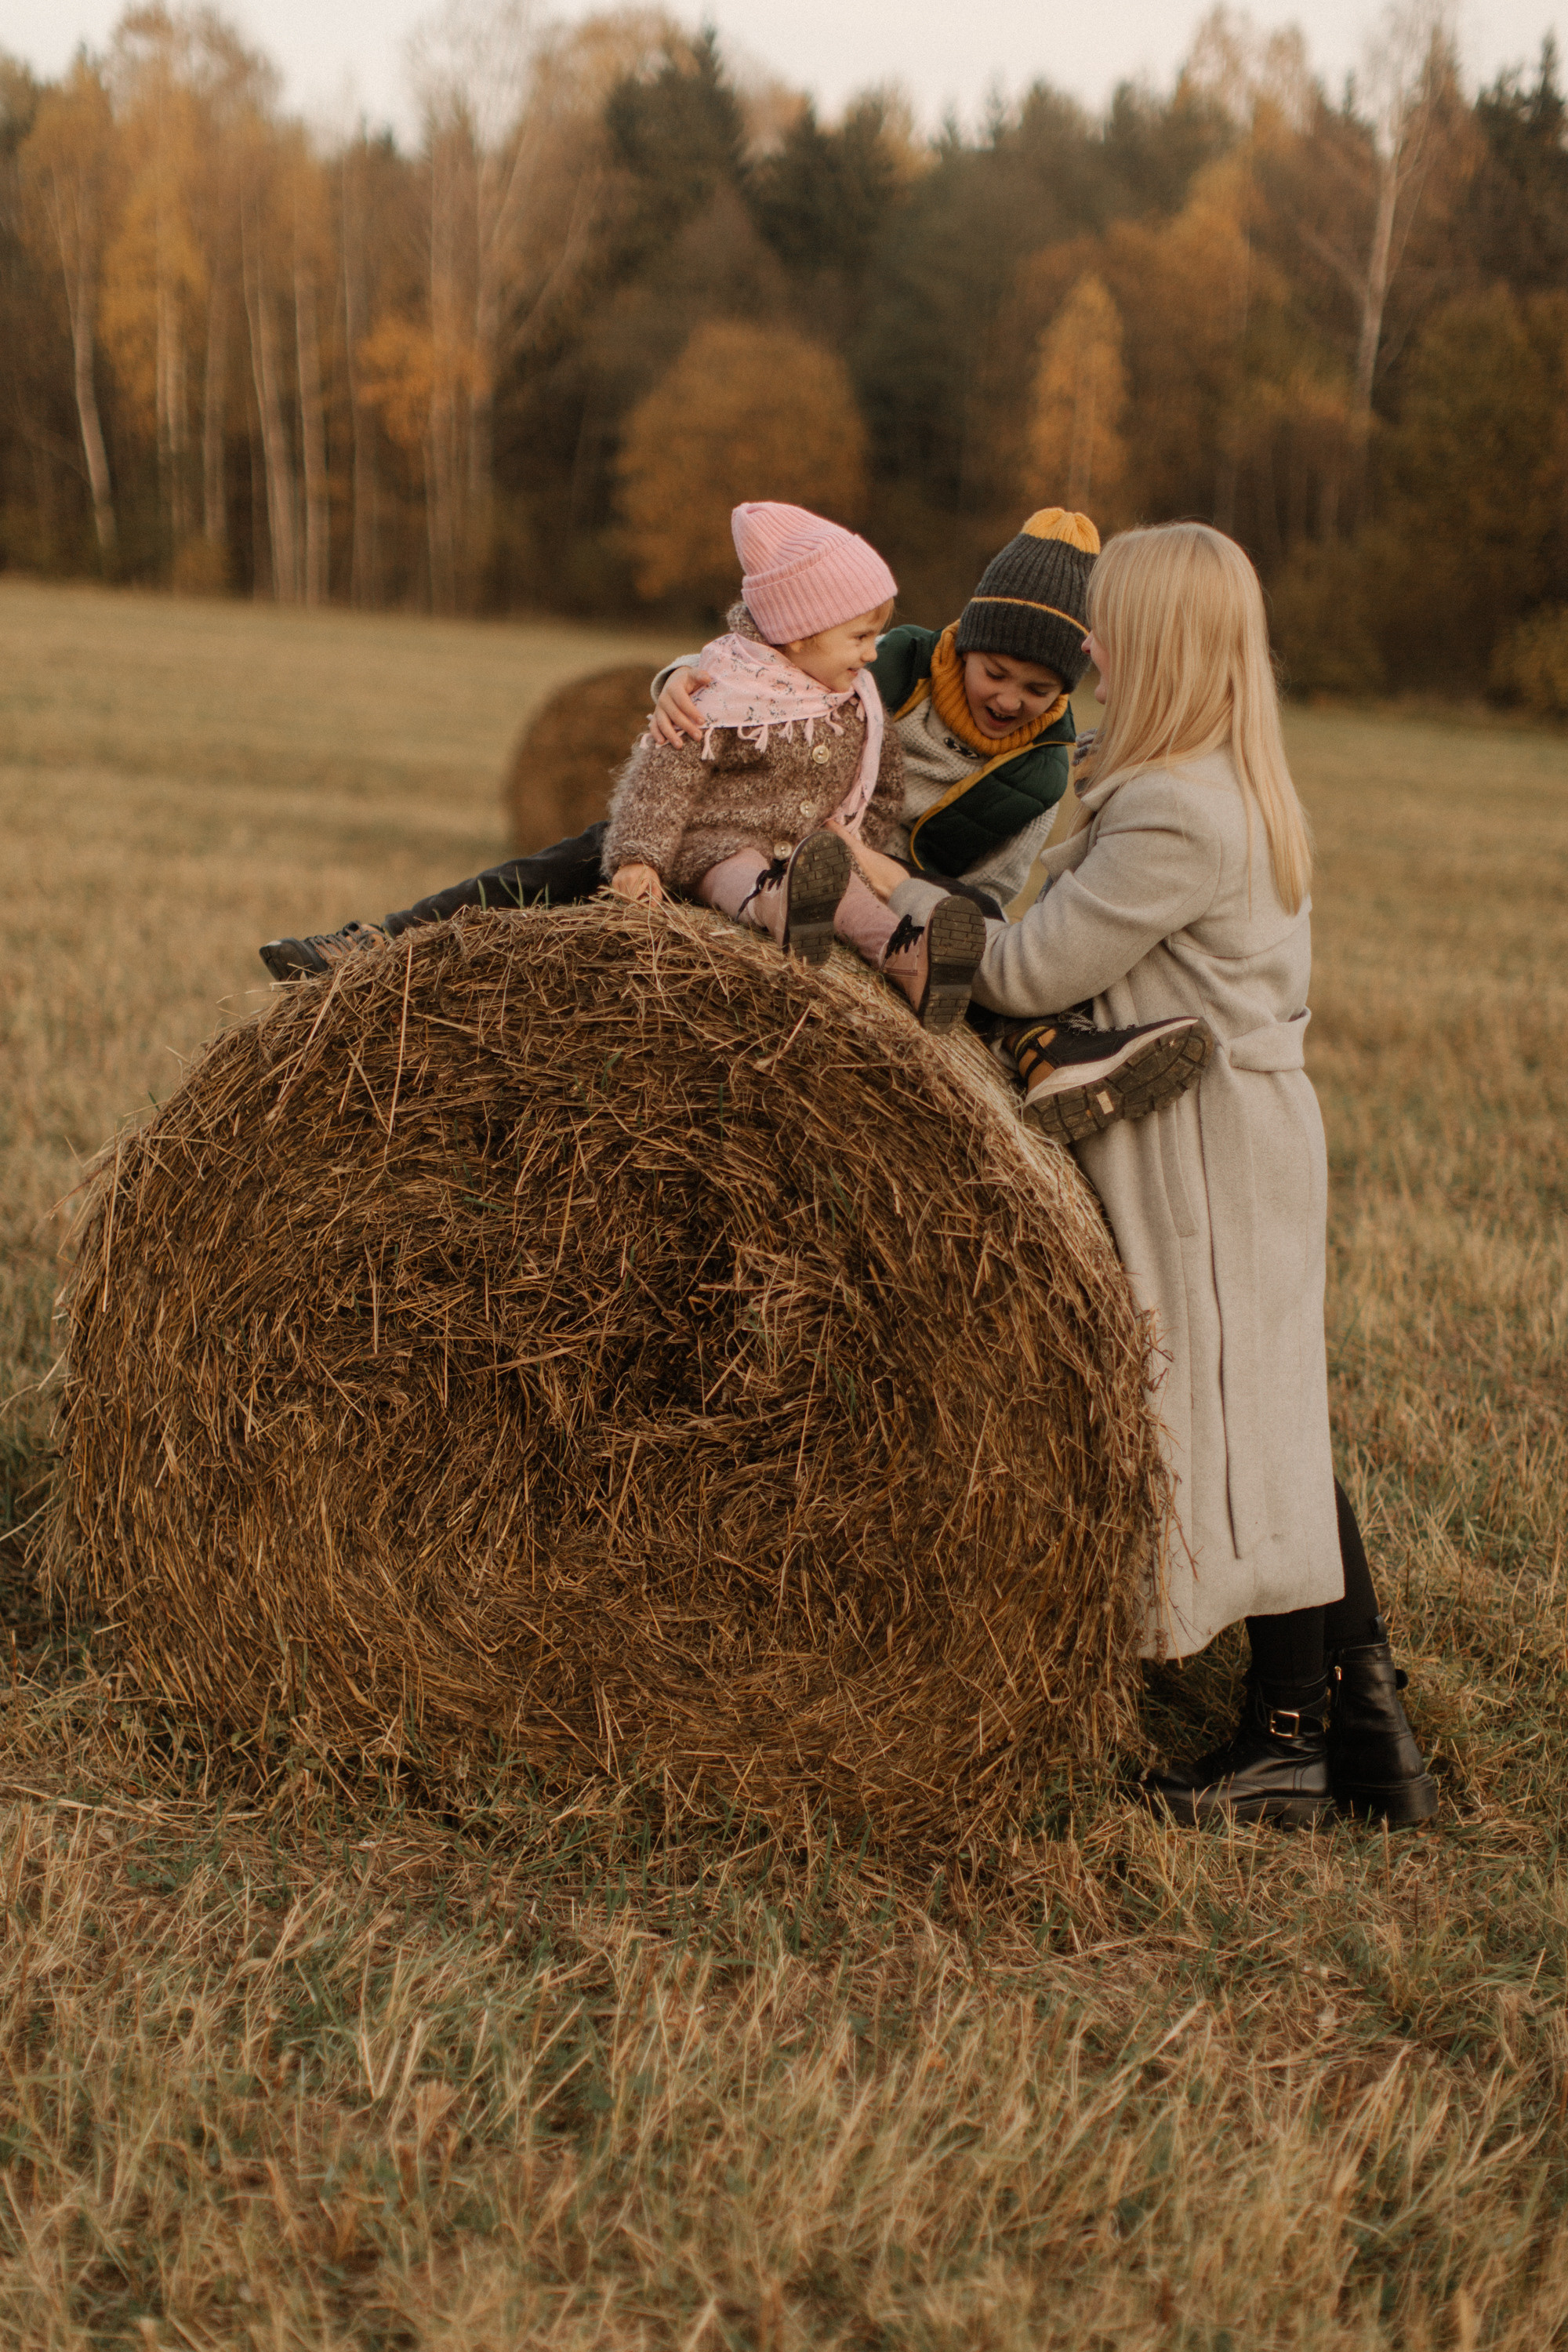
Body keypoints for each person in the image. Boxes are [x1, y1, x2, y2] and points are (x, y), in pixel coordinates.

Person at [865, 519, 1436, 1827]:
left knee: (1236, 1434)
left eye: (1106, 625)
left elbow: (1017, 973)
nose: (1087, 649)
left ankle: (1288, 1748)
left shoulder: (1175, 810)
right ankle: (1366, 1733)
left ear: (1163, 644)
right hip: (1238, 1135)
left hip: (1210, 1153)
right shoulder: (1223, 782)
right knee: (1272, 1416)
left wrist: (875, 893)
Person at [259, 511, 1210, 1132]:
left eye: (1036, 689)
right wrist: (676, 679)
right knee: (579, 856)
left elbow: (993, 899)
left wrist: (888, 878)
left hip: (876, 882)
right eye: (993, 671)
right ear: (963, 641)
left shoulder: (1042, 772)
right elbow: (758, 652)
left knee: (973, 958)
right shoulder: (888, 658)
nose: (1006, 697)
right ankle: (377, 948)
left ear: (1064, 690)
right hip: (743, 817)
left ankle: (1043, 1055)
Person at [594, 499, 990, 1028]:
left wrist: (858, 849)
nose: (873, 653)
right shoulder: (722, 689)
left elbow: (883, 789)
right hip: (719, 844)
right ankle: (771, 907)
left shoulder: (858, 701)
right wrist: (638, 858)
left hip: (813, 855)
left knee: (849, 893)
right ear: (801, 630)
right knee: (736, 866)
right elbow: (663, 780)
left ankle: (911, 960)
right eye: (860, 637)